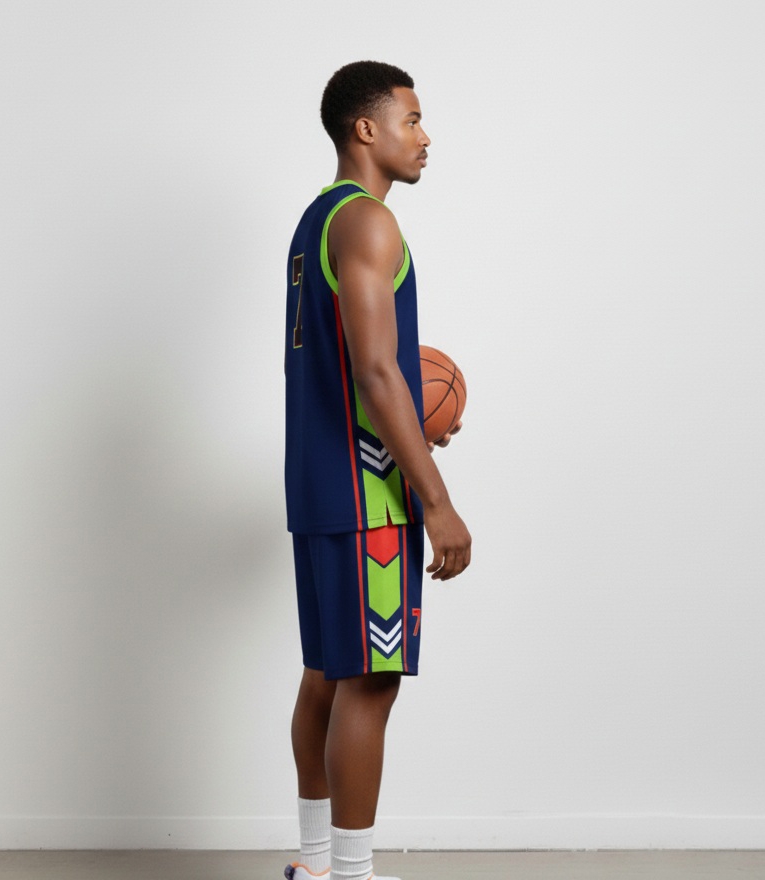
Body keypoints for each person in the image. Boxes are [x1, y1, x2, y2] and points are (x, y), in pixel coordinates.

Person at [283, 60, 471, 880]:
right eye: (412, 119)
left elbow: (355, 371)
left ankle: (315, 866)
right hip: (370, 499)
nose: (425, 137)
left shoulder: (316, 219)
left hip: (319, 484)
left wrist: (415, 427)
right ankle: (352, 876)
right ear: (367, 128)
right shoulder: (369, 223)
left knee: (328, 676)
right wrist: (437, 499)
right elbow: (376, 372)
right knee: (370, 682)